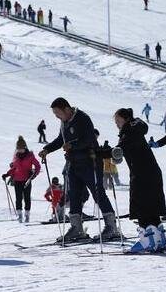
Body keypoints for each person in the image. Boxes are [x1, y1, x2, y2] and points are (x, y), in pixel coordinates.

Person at [39, 97, 120, 242]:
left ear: (66, 109)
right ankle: (77, 228)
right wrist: (47, 149)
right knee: (74, 195)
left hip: (90, 161)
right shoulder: (64, 122)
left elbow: (89, 138)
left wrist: (73, 146)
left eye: (58, 113)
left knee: (98, 193)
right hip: (73, 164)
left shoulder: (82, 118)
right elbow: (61, 140)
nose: (57, 116)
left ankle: (111, 226)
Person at [113, 108, 166, 252]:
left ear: (125, 120)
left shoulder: (128, 133)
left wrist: (104, 152)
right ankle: (159, 239)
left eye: (118, 121)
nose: (117, 124)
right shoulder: (136, 128)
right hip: (152, 173)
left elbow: (120, 147)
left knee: (142, 207)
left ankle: (147, 242)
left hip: (141, 175)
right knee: (153, 207)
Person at [2, 136, 40, 223]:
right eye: (18, 149)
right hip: (17, 180)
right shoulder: (16, 157)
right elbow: (14, 168)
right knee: (18, 198)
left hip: (27, 180)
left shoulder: (30, 156)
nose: (19, 150)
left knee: (27, 198)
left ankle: (27, 215)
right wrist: (7, 174)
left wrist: (34, 174)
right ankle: (19, 215)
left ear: (25, 147)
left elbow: (37, 166)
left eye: (21, 148)